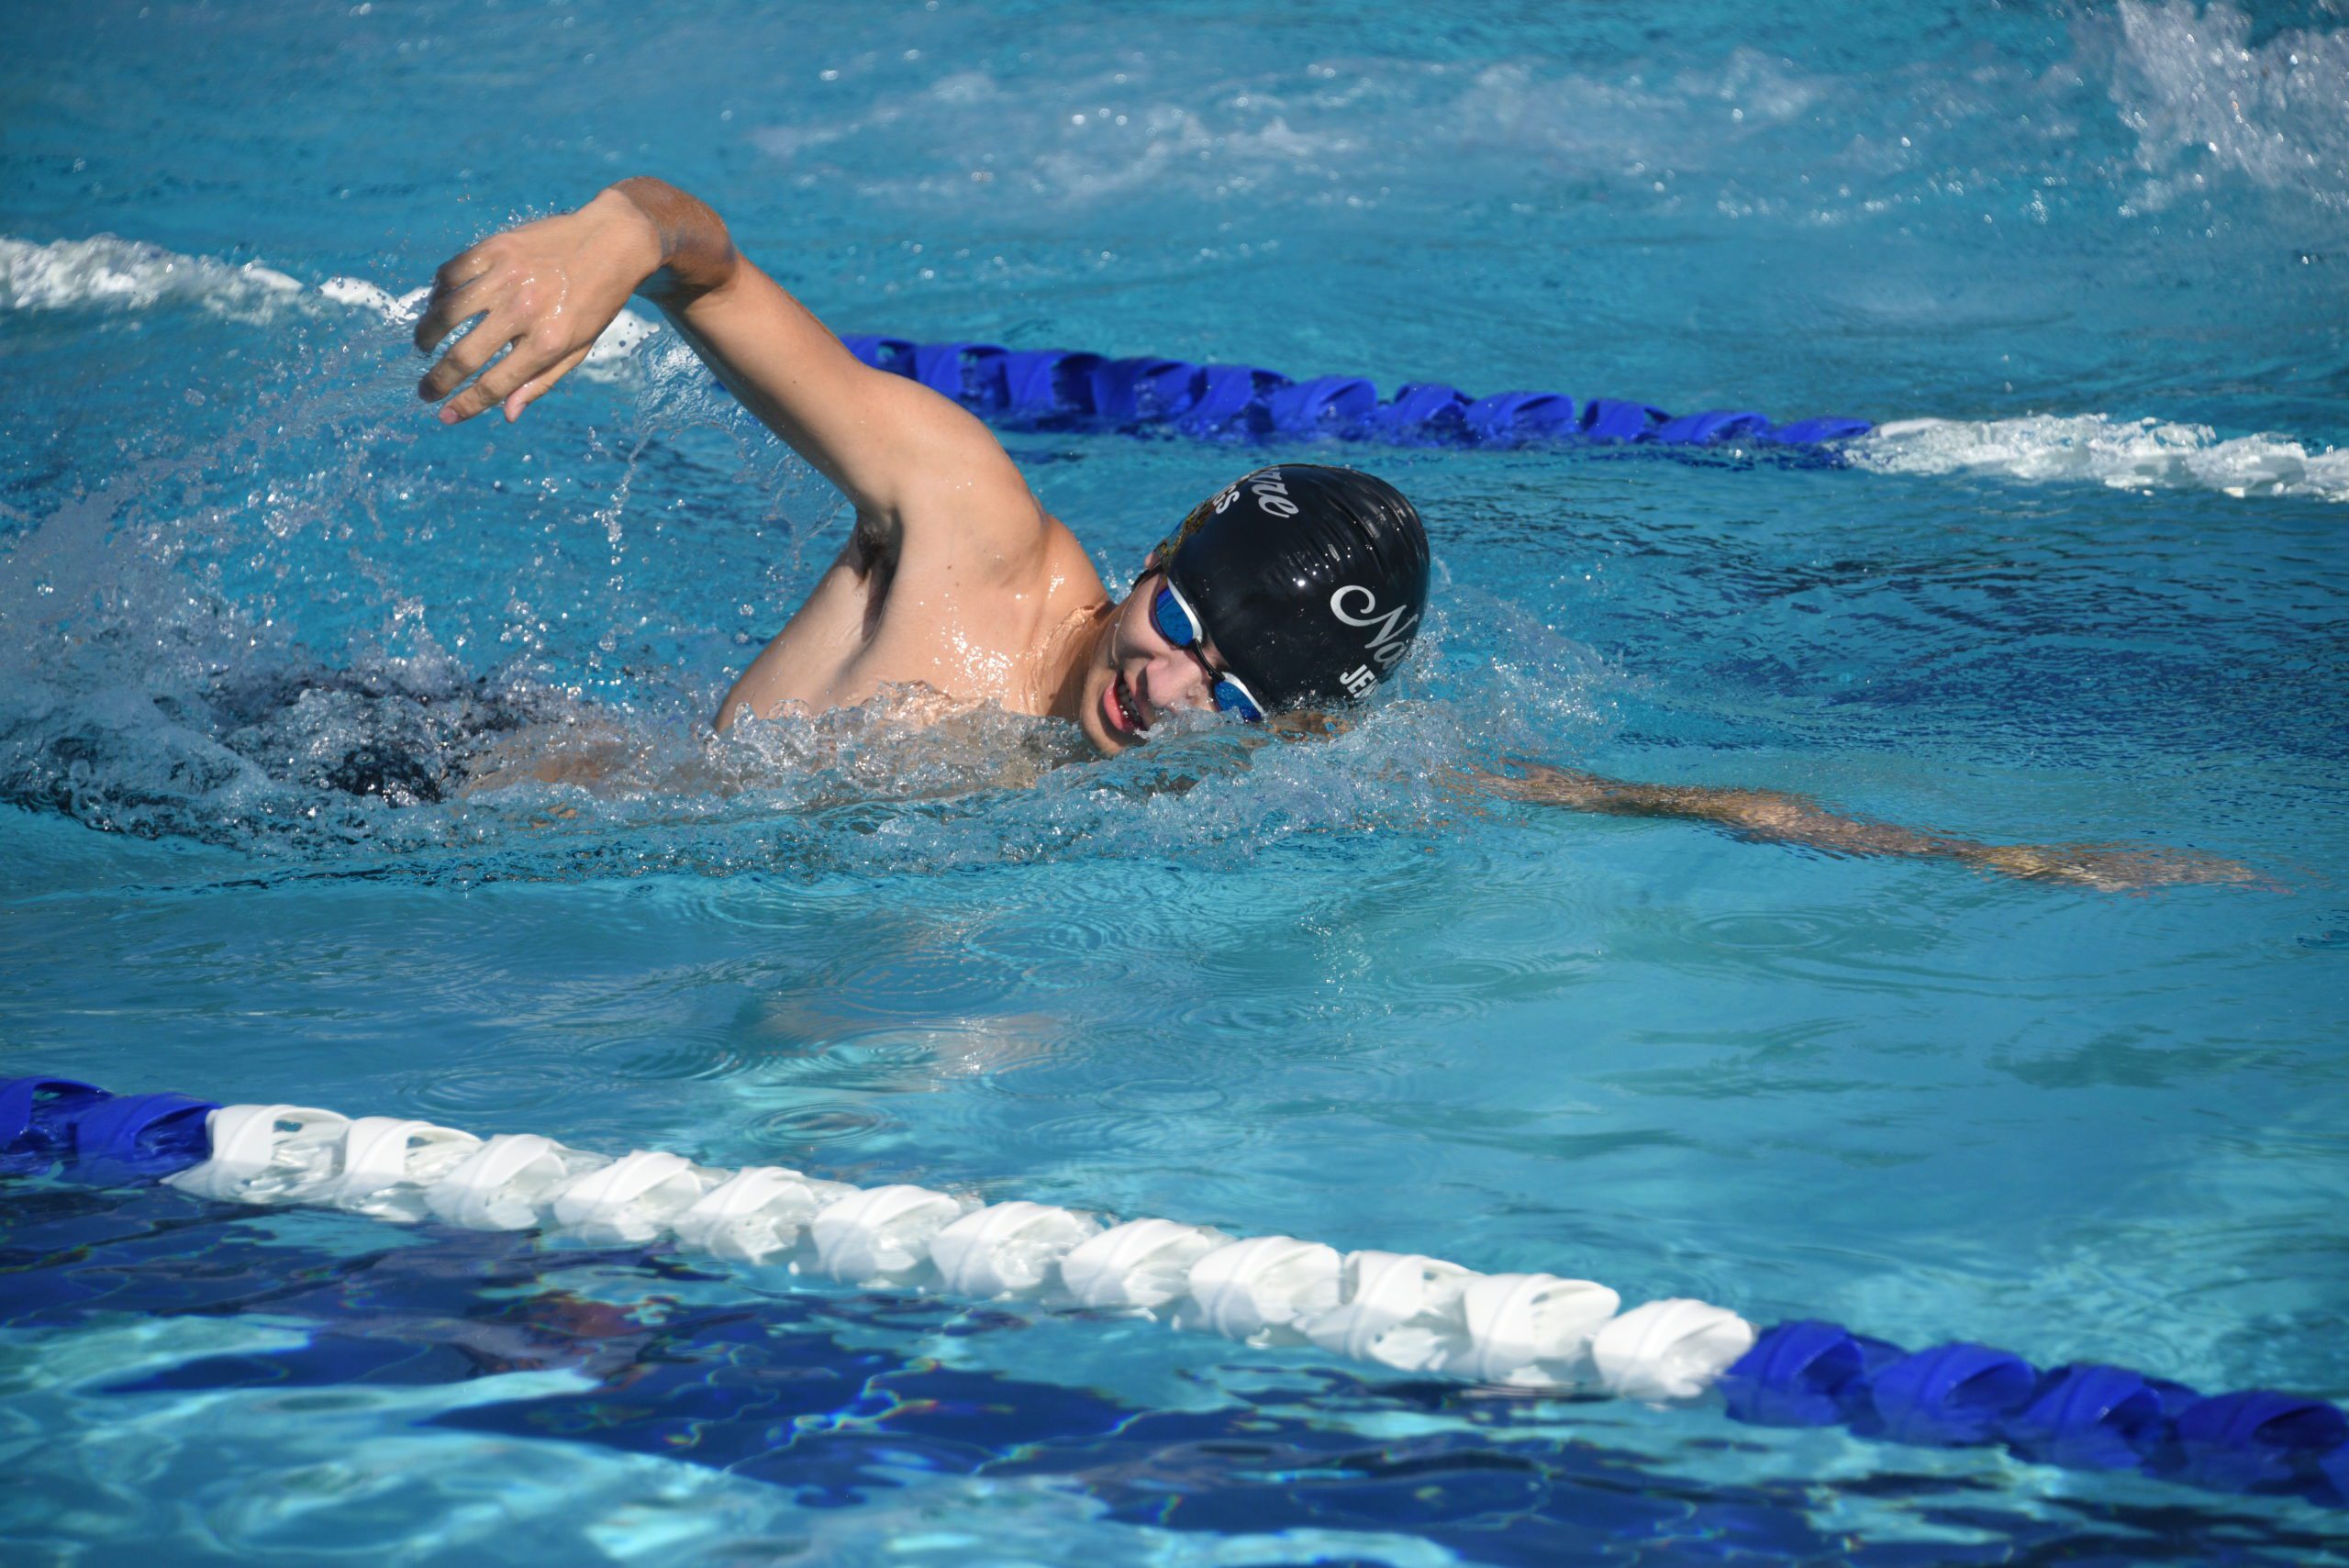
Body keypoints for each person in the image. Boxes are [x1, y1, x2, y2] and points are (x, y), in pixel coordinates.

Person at [415, 177, 2254, 891]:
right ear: (1147, 555)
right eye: (1172, 615)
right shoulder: (970, 530)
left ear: (1290, 716)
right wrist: (628, 242)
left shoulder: (1240, 759)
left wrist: (1990, 857)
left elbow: (1626, 802)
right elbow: (713, 259)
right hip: (406, 775)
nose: (1162, 680)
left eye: (1226, 680)